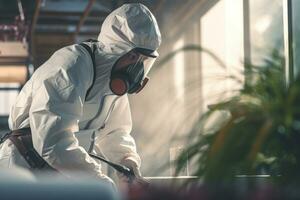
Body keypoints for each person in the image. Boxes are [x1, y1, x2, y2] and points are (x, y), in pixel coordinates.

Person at [0, 3, 161, 190]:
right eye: (134, 57)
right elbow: (53, 140)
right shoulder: (71, 66)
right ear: (116, 48)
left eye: (144, 60)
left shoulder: (112, 86)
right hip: (24, 169)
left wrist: (127, 163)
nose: (137, 69)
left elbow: (114, 133)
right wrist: (96, 180)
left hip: (59, 174)